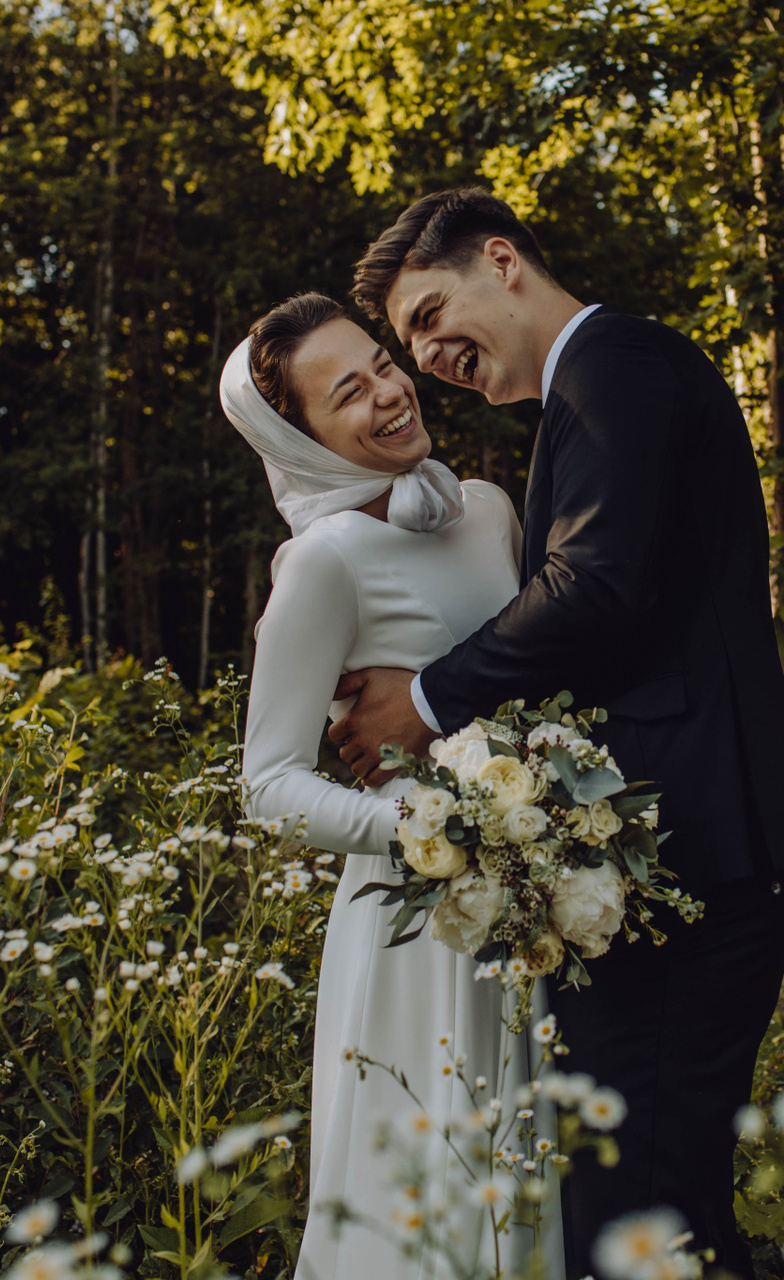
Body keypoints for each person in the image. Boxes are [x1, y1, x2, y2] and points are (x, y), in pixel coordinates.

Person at [328, 189, 784, 1279]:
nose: (428, 357)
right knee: (652, 1197)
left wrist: (425, 700)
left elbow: (594, 588)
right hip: (682, 847)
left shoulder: (616, 368)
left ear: (502, 259)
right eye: (412, 340)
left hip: (705, 837)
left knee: (640, 1208)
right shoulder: (594, 388)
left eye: (429, 315)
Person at [222, 292, 561, 1280]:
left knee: (538, 1181)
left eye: (380, 362)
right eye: (348, 393)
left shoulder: (487, 509)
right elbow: (270, 783)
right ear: (302, 441)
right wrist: (432, 826)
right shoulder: (323, 564)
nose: (388, 391)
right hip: (419, 928)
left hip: (537, 905)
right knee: (434, 1199)